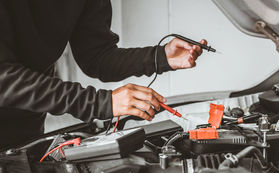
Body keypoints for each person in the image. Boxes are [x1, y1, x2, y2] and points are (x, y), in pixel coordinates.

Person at [0, 0, 207, 148]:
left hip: (27, 129)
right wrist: (101, 103)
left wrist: (160, 57)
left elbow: (97, 56)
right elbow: (4, 78)